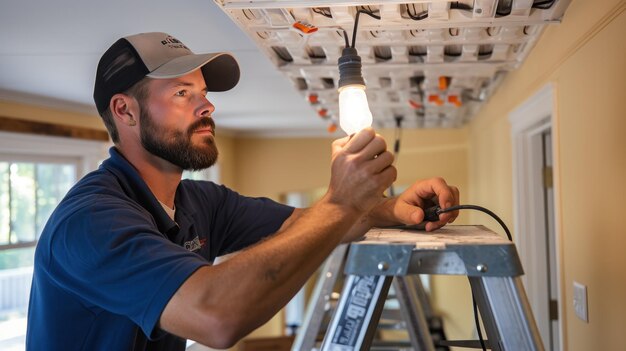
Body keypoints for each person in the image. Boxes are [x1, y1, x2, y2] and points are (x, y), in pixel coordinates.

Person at [26, 32, 460, 350]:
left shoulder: (200, 201)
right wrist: (341, 201)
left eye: (203, 92)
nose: (207, 105)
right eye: (182, 92)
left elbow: (305, 223)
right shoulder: (89, 221)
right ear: (125, 110)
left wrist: (388, 210)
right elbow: (216, 317)